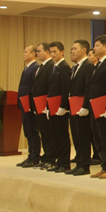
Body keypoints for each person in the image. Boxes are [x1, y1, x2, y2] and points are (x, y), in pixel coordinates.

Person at [88, 35, 106, 180]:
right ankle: (104, 165)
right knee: (98, 137)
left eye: (97, 45)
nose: (94, 48)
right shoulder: (99, 64)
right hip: (96, 105)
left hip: (104, 105)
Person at [66, 39, 95, 176]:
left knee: (83, 137)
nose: (72, 51)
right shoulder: (75, 66)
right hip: (73, 105)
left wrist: (85, 106)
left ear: (84, 50)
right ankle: (79, 163)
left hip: (82, 106)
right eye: (71, 49)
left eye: (75, 49)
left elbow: (89, 87)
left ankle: (84, 165)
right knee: (76, 136)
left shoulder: (88, 66)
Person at [47, 41, 71, 173]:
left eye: (55, 52)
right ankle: (59, 161)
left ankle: (65, 162)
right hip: (52, 105)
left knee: (62, 135)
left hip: (60, 107)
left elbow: (65, 88)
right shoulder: (54, 67)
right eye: (50, 52)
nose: (52, 54)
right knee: (55, 134)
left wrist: (63, 106)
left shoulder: (64, 67)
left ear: (62, 52)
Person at [31, 42, 55, 170]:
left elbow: (50, 86)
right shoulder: (41, 66)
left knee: (49, 132)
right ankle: (46, 156)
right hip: (38, 103)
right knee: (44, 132)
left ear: (47, 52)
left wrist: (47, 105)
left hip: (46, 104)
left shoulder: (51, 65)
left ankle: (51, 158)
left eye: (39, 51)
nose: (37, 53)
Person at [16, 45, 41, 168]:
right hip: (24, 103)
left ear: (33, 54)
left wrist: (32, 105)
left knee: (32, 130)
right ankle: (31, 155)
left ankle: (35, 156)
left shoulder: (35, 67)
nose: (23, 54)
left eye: (26, 52)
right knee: (27, 131)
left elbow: (33, 88)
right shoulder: (27, 68)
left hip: (30, 104)